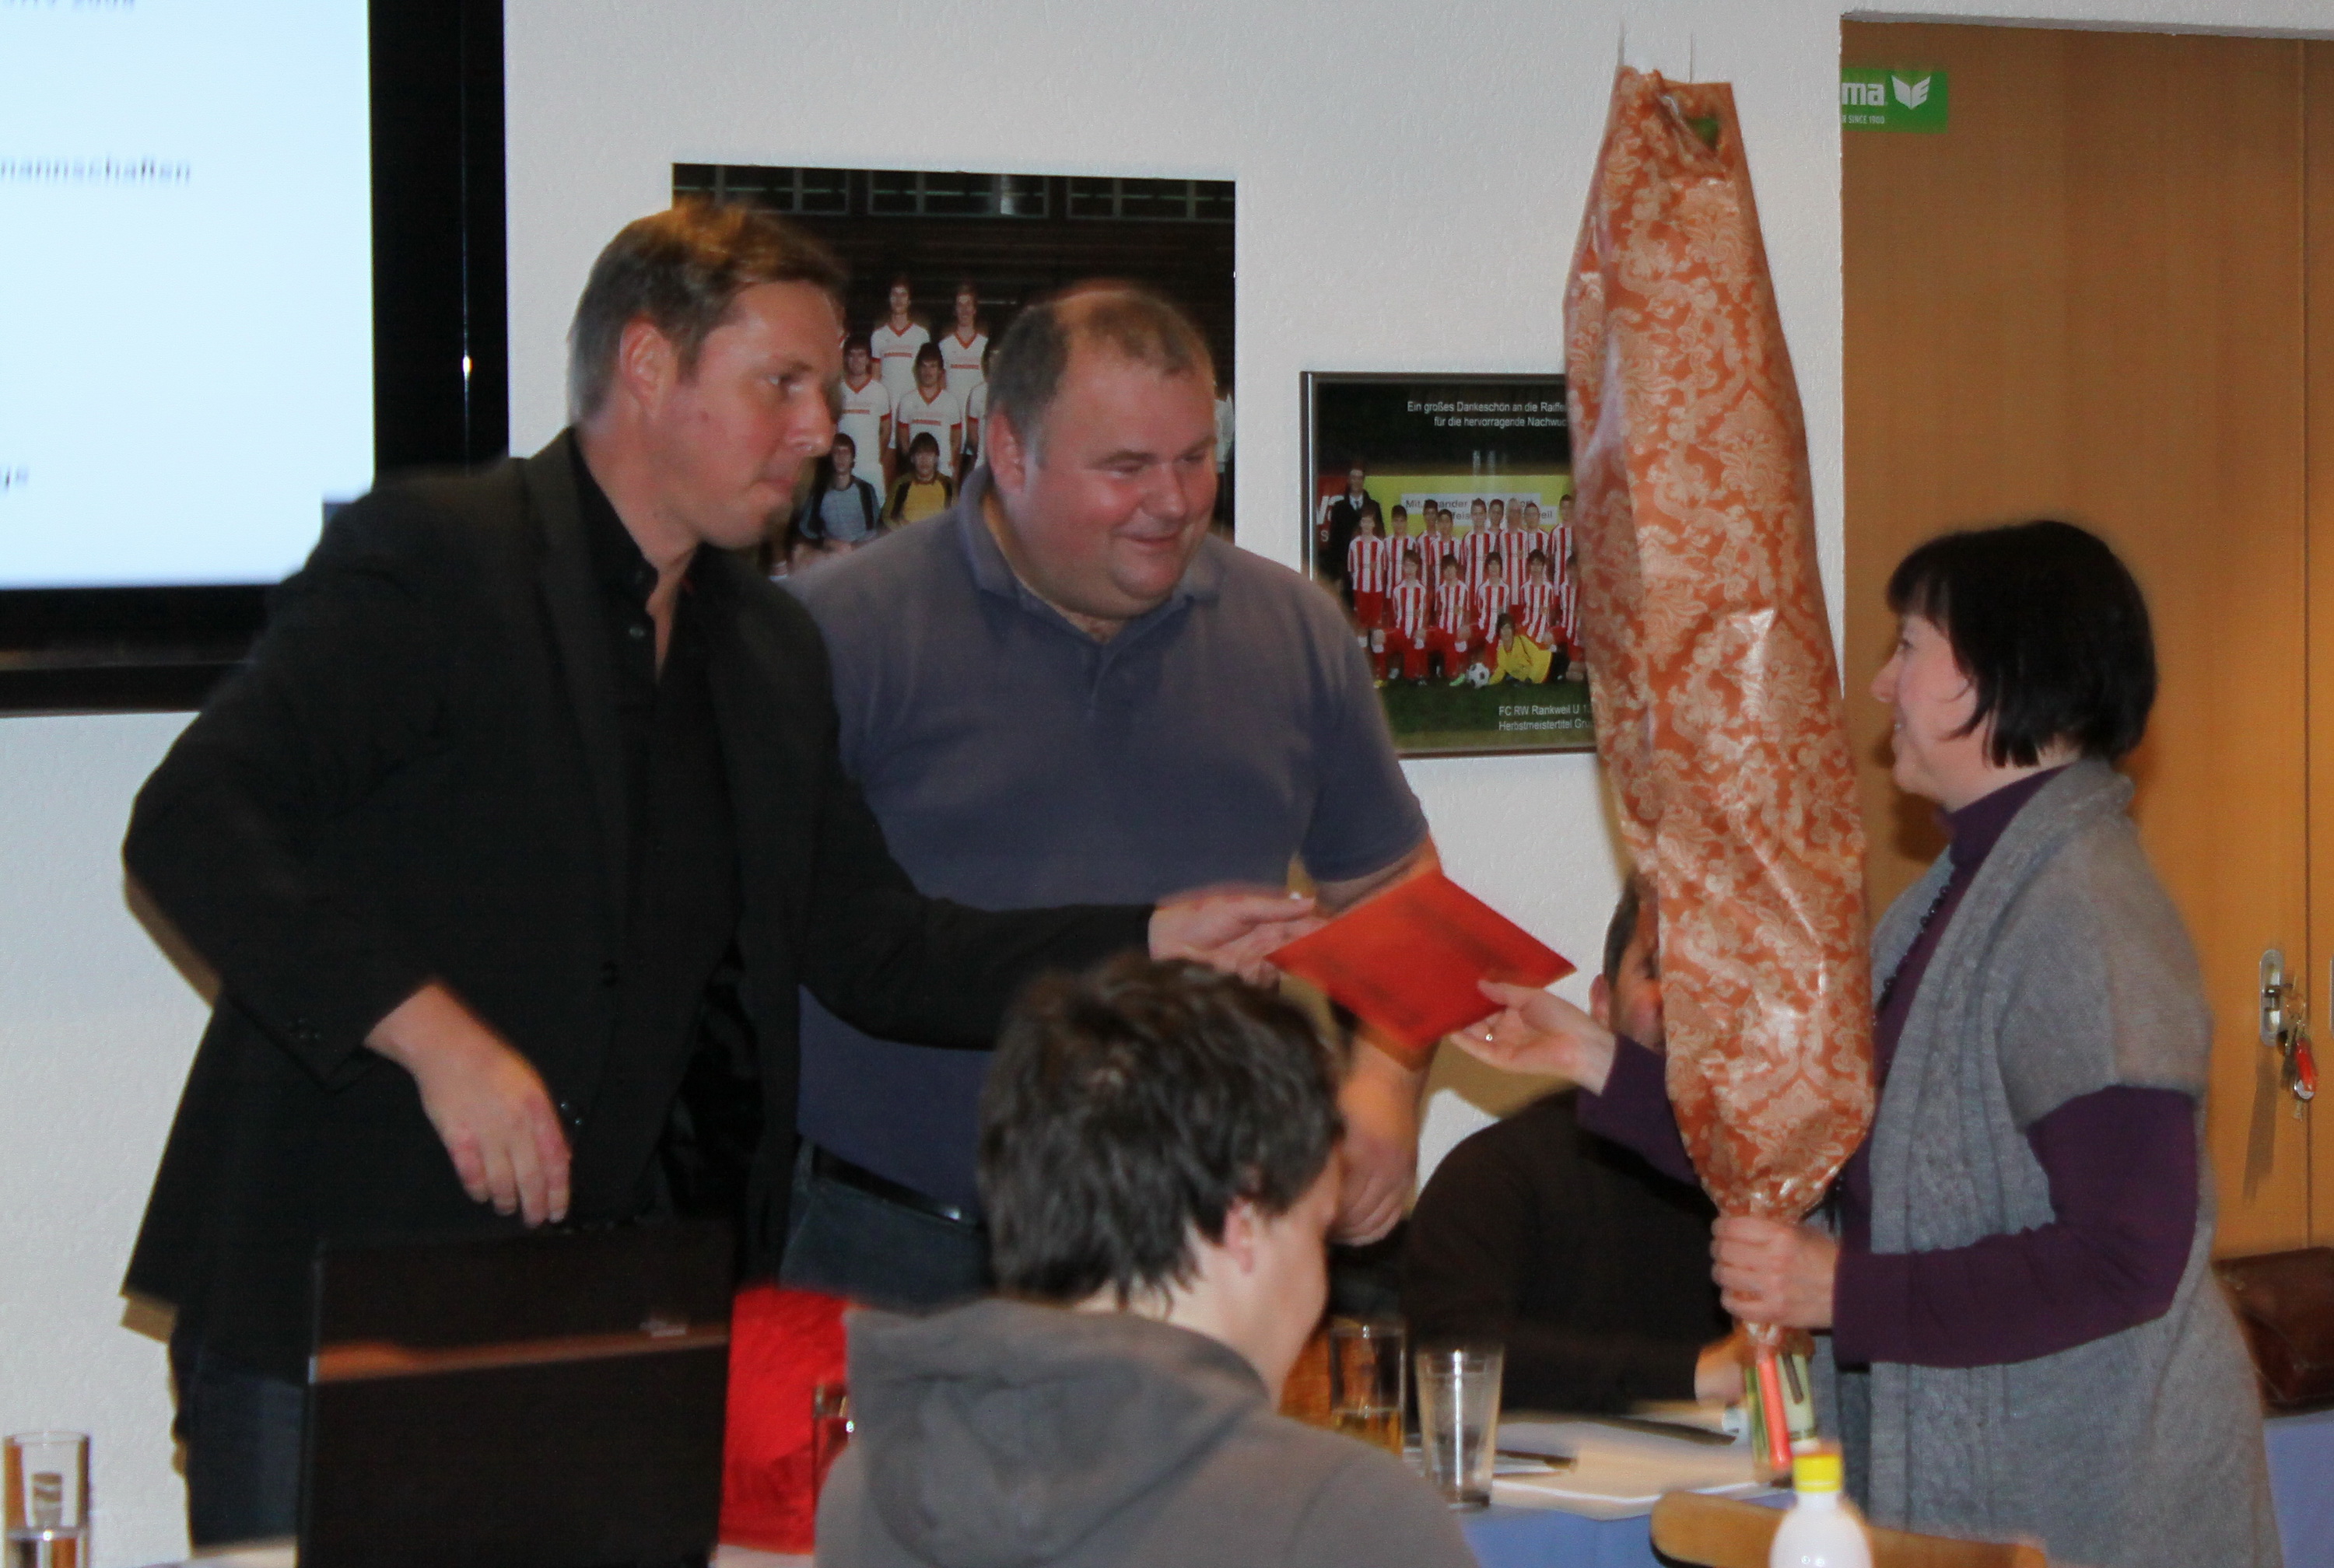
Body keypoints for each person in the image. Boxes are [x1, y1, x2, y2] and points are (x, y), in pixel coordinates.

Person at [119, 201, 1307, 1545]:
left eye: (826, 390)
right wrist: (434, 1034)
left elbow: (875, 947)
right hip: (346, 1293)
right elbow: (193, 822)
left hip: (620, 1313)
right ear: (647, 365)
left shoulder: (768, 648)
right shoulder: (443, 558)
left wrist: (1148, 939)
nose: (818, 430)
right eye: (782, 384)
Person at [1462, 520, 2280, 1566]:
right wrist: (1593, 1060)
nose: (1884, 684)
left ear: (1997, 672)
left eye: (1910, 648)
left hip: (2107, 1509)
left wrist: (1837, 1292)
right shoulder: (1953, 900)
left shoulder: (2086, 915)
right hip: (2002, 1495)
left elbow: (2126, 1258)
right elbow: (1820, 1159)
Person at [786, 284, 1439, 1311]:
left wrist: (1387, 1086)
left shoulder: (1293, 630)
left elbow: (1398, 897)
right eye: (1127, 467)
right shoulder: (841, 631)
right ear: (1010, 453)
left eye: (1195, 457)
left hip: (1203, 1257)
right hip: (904, 1250)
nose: (1173, 501)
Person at [815, 957, 1477, 1568]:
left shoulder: (872, 1484)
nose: (1320, 1285)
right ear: (1243, 1220)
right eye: (1316, 1229)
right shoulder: (1346, 1514)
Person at [1404, 877, 1733, 1413]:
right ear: (1602, 1004)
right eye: (1658, 971)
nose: (1685, 1003)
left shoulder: (1798, 1189)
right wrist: (1694, 1374)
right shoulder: (1499, 1173)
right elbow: (1449, 1356)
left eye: (1715, 980)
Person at [796, 431, 883, 549]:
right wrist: (829, 543)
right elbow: (807, 531)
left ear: (852, 458)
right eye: (836, 452)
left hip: (863, 550)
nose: (841, 457)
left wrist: (856, 547)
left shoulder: (865, 490)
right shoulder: (819, 493)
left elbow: (876, 528)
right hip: (831, 552)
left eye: (846, 452)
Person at [892, 341, 962, 474]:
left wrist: (949, 462)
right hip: (916, 473)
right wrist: (914, 463)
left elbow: (956, 439)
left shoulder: (951, 401)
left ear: (940, 371)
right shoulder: (907, 401)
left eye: (933, 366)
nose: (928, 372)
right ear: (917, 369)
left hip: (943, 471)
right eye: (924, 366)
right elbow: (903, 440)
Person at [837, 332, 893, 491]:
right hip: (842, 470)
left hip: (871, 468)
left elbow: (886, 430)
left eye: (861, 355)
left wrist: (874, 457)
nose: (856, 360)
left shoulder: (879, 391)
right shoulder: (838, 390)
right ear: (845, 359)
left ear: (869, 360)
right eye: (852, 355)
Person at [869, 275, 928, 405]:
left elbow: (926, 374)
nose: (898, 299)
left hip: (913, 405)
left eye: (903, 295)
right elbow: (875, 376)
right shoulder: (878, 335)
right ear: (889, 299)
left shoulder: (921, 335)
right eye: (894, 295)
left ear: (909, 301)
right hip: (886, 404)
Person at [1314, 462, 1372, 592]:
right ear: (1349, 480)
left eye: (1360, 478)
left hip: (1369, 575)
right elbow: (1334, 545)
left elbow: (1380, 536)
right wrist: (1336, 576)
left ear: (1364, 480)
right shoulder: (1339, 508)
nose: (1356, 481)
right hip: (1345, 573)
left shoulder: (1373, 506)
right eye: (1354, 478)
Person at [884, 432, 955, 527]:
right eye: (919, 454)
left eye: (929, 454)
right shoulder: (902, 484)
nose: (924, 459)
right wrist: (903, 530)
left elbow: (956, 517)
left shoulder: (947, 485)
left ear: (936, 458)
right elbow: (888, 517)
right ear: (912, 458)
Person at [938, 281, 987, 404]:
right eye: (960, 305)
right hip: (952, 411)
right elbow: (940, 384)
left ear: (974, 309)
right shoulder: (944, 346)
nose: (965, 310)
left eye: (968, 304)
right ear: (955, 310)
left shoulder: (985, 345)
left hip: (977, 411)